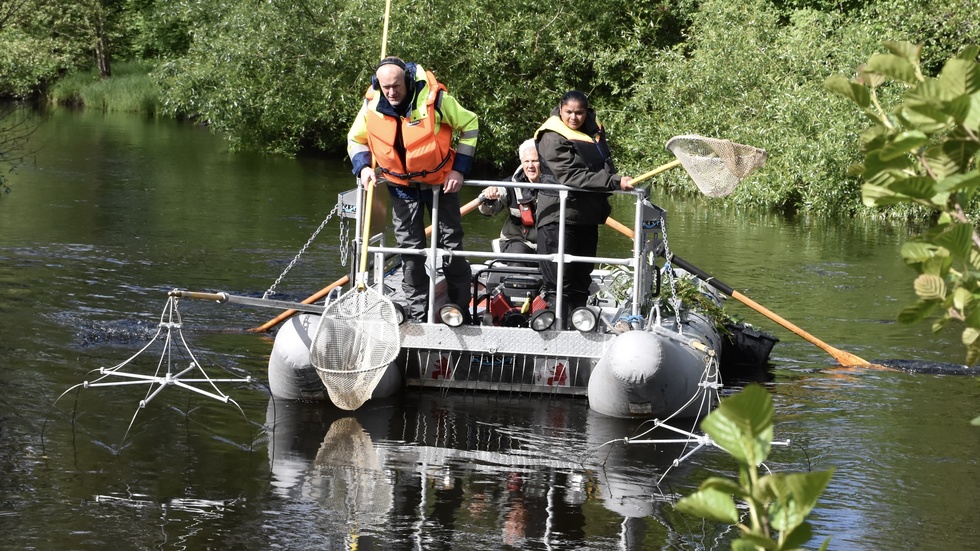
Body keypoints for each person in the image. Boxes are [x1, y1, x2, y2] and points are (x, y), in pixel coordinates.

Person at [347, 57, 479, 322]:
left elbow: (470, 125)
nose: (392, 92)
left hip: (441, 182)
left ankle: (459, 311)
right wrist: (363, 168)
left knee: (451, 247)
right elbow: (355, 139)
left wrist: (459, 169)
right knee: (410, 253)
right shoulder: (372, 105)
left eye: (396, 86)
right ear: (378, 85)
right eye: (386, 87)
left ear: (407, 81)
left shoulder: (435, 100)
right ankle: (418, 316)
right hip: (400, 185)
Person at [534, 90, 634, 320]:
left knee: (581, 280)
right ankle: (554, 325)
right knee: (559, 283)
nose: (573, 118)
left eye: (579, 113)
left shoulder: (594, 130)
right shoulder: (551, 136)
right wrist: (614, 182)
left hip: (586, 217)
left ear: (586, 112)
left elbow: (604, 165)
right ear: (560, 109)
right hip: (558, 217)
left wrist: (615, 179)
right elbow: (570, 176)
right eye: (568, 112)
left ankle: (579, 323)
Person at [477, 139, 540, 263]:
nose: (530, 166)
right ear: (521, 163)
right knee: (519, 257)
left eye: (535, 161)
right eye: (526, 161)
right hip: (517, 240)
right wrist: (489, 199)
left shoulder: (555, 186)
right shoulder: (510, 184)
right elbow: (487, 210)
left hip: (548, 242)